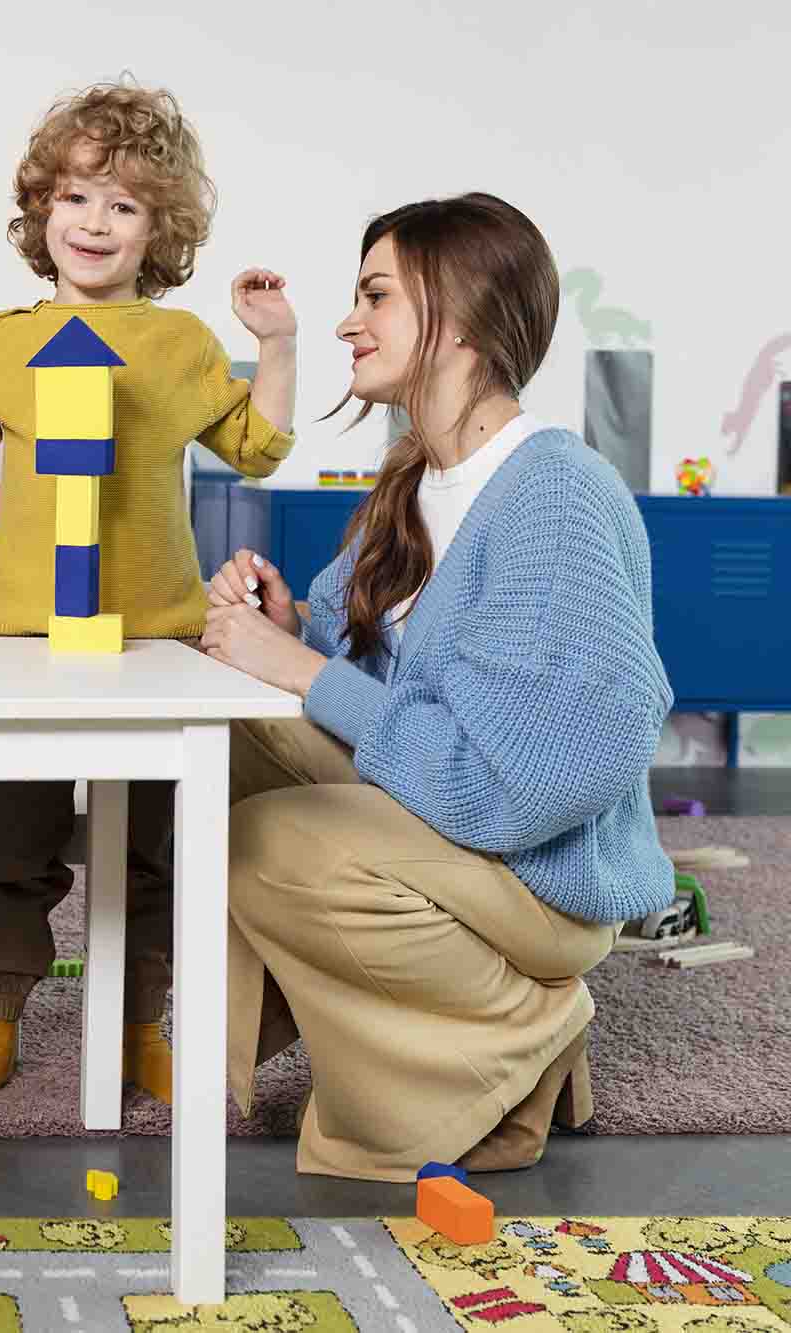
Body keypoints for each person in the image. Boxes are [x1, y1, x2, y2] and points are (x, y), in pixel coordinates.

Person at [199, 192, 673, 1179]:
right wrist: (292, 635)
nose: (344, 322)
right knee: (214, 750)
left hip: (532, 875)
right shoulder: (411, 479)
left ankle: (516, 1032)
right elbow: (369, 676)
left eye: (374, 295)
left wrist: (297, 670)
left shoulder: (552, 494)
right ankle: (248, 1045)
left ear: (455, 312)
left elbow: (515, 788)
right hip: (447, 830)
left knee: (273, 843)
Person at [0, 79, 298, 1115]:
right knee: (13, 847)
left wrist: (273, 341)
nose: (94, 221)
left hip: (154, 643)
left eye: (124, 205)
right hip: (26, 641)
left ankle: (142, 1026)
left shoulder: (181, 344)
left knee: (147, 855)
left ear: (159, 232)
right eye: (76, 198)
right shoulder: (4, 338)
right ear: (40, 211)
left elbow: (258, 447)